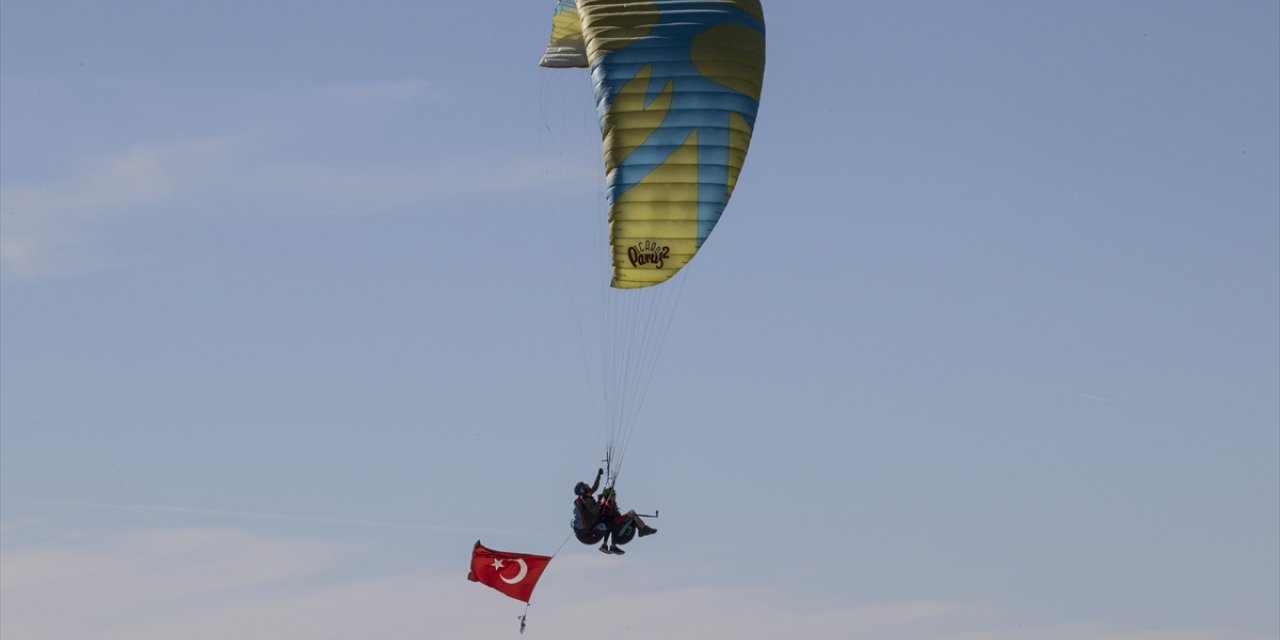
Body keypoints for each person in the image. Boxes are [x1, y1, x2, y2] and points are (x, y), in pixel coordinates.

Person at [597, 487, 657, 555]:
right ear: (608, 496)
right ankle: (644, 528)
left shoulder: (611, 502)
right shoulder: (606, 502)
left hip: (617, 519)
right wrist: (608, 499)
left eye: (615, 495)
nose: (614, 496)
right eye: (613, 495)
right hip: (616, 520)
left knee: (633, 517)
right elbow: (606, 506)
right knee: (632, 512)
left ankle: (641, 529)